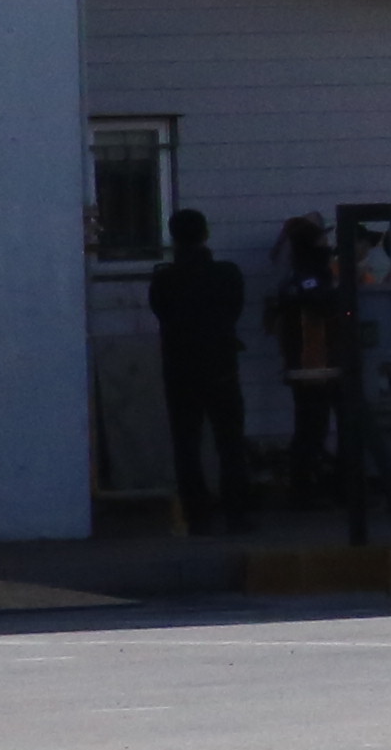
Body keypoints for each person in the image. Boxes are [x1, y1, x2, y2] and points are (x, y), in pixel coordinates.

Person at [146, 211, 251, 527]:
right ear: (205, 234)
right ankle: (237, 513)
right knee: (230, 442)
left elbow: (162, 313)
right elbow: (234, 310)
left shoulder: (164, 279)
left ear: (173, 237)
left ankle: (197, 515)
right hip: (221, 364)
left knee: (186, 444)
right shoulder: (227, 274)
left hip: (180, 367)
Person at [270, 219, 347, 508]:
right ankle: (304, 489)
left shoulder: (310, 273)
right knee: (311, 427)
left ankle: (320, 484)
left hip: (320, 362)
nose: (328, 244)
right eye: (322, 239)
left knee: (318, 425)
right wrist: (341, 290)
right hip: (312, 362)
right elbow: (320, 303)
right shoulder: (307, 276)